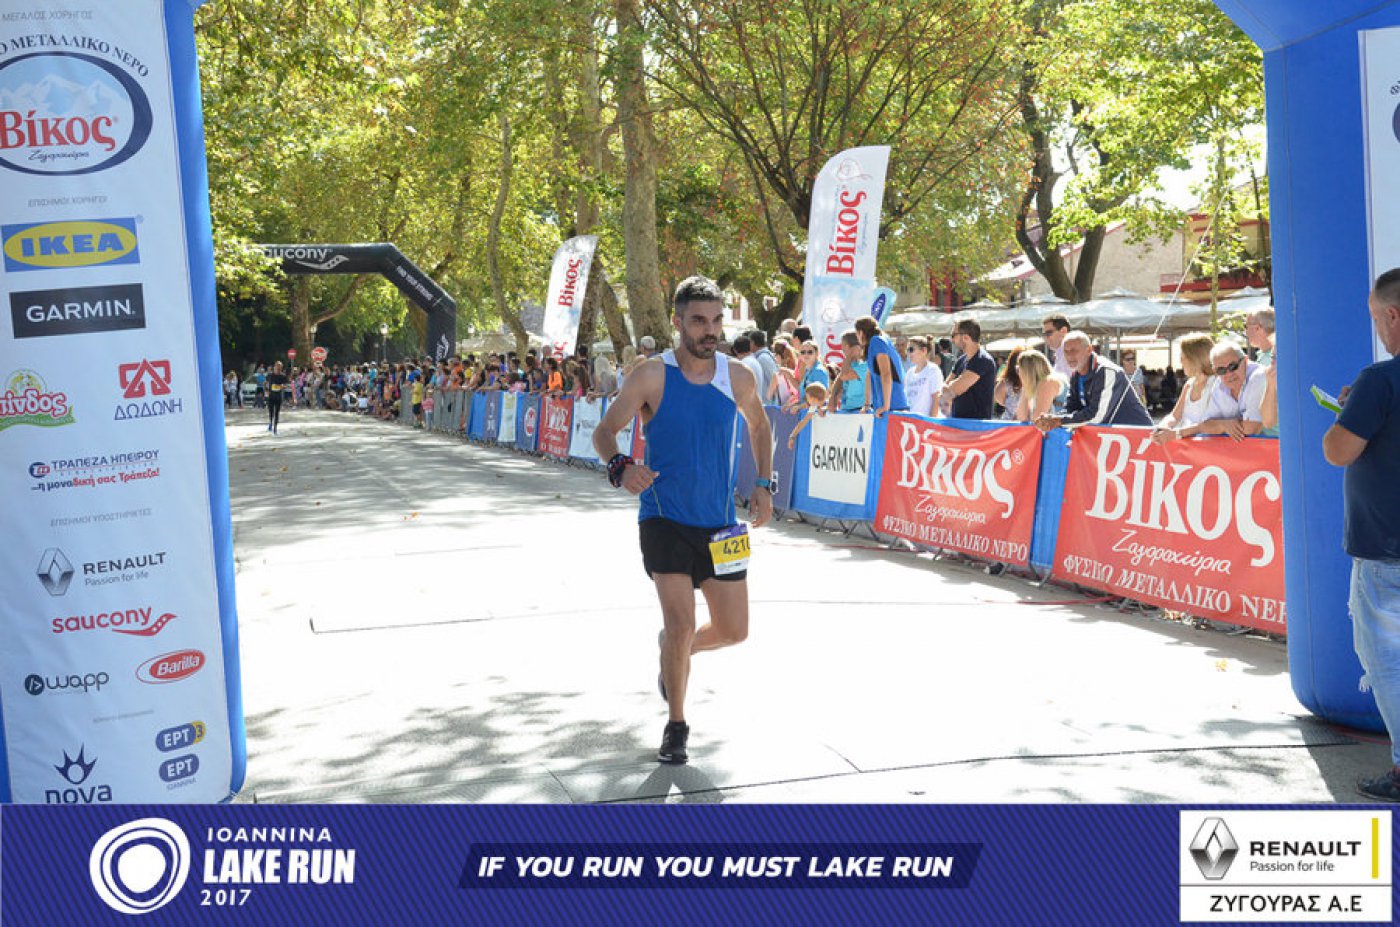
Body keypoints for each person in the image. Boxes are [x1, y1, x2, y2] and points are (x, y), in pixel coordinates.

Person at [593, 275, 774, 765]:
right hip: (664, 517)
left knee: (734, 631)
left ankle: (677, 652)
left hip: (720, 524)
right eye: (698, 320)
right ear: (678, 322)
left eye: (716, 320)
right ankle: (676, 725)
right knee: (680, 622)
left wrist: (764, 483)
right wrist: (621, 466)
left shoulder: (738, 377)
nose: (709, 330)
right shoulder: (652, 376)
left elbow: (760, 426)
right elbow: (605, 431)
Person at [1321, 269, 1400, 801]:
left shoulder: (1380, 380)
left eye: (1376, 318)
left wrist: (1352, 410)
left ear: (1392, 314)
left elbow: (1337, 450)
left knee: (1388, 665)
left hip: (1386, 551)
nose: (1377, 329)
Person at [1034, 331, 1153, 431]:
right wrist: (1051, 419)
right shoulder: (1076, 375)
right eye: (1066, 351)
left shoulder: (1107, 371)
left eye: (1074, 350)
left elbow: (1096, 416)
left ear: (1089, 350)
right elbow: (1070, 408)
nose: (1070, 356)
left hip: (1137, 437)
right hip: (1110, 439)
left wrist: (1058, 420)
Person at [1174, 342, 1267, 441]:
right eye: (1221, 370)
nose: (1229, 374)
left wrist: (1222, 426)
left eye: (1233, 366)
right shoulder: (1219, 383)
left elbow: (1252, 428)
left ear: (1246, 360)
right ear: (1215, 371)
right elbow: (1206, 424)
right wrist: (1224, 424)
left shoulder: (1258, 377)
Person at [1151, 333, 1217, 443]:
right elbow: (1174, 416)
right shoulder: (1189, 384)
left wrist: (1176, 433)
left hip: (1208, 447)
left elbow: (1211, 424)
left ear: (1195, 358)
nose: (1180, 361)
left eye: (1182, 357)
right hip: (1188, 447)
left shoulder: (1216, 384)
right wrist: (1163, 427)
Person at [940, 319, 997, 419]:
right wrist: (948, 388)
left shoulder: (982, 360)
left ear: (966, 337)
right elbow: (944, 389)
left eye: (953, 335)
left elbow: (952, 391)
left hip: (976, 424)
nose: (952, 340)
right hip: (958, 421)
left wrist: (949, 388)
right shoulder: (961, 360)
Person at [853, 316, 907, 416]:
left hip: (893, 406)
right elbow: (869, 375)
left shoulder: (876, 341)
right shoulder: (877, 342)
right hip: (884, 405)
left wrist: (886, 406)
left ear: (861, 333)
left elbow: (886, 373)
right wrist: (867, 404)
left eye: (856, 333)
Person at [1013, 349, 1065, 422]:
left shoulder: (1048, 382)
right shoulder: (1037, 386)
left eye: (1019, 368)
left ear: (1028, 371)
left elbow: (1037, 419)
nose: (1018, 372)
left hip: (1063, 428)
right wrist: (1025, 386)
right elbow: (1022, 417)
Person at [828, 331, 869, 413]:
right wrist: (832, 398)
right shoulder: (850, 365)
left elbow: (844, 376)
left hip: (860, 410)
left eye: (843, 345)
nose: (842, 349)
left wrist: (850, 355)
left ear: (847, 346)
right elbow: (840, 379)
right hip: (847, 409)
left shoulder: (865, 365)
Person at [903, 336, 944, 417]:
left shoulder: (933, 370)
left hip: (926, 420)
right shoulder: (909, 373)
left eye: (911, 350)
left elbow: (936, 399)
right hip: (911, 420)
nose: (908, 353)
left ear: (924, 350)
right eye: (907, 350)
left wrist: (931, 421)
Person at [787, 382, 830, 448]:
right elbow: (803, 422)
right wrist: (792, 436)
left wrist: (825, 409)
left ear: (813, 399)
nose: (807, 400)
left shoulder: (830, 404)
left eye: (808, 397)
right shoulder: (814, 407)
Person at [748, 329, 778, 403]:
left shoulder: (763, 358)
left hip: (767, 403)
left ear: (753, 342)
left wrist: (768, 400)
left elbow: (774, 379)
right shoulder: (762, 357)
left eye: (749, 342)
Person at [994, 347, 1025, 421]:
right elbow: (999, 398)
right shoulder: (1006, 383)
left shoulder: (1006, 383)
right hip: (1011, 424)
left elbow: (999, 399)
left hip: (1010, 423)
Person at [1042, 314, 1073, 380]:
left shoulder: (1071, 354)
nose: (1045, 338)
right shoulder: (1060, 354)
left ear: (1063, 331)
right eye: (1044, 335)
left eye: (1048, 333)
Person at [265, 361, 288, 434]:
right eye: (277, 367)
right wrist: (266, 390)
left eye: (280, 367)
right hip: (271, 396)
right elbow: (265, 383)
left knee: (277, 412)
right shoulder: (270, 375)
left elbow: (285, 385)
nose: (278, 368)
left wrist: (282, 386)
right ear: (274, 367)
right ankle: (270, 423)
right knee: (271, 412)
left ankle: (275, 429)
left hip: (278, 396)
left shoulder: (283, 376)